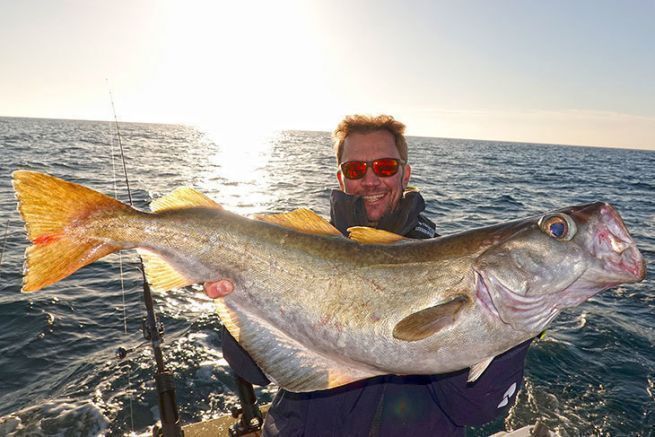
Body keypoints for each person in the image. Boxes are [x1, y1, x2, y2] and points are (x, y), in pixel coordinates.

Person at [204, 114, 532, 436]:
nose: (371, 180)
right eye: (356, 169)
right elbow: (252, 372)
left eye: (385, 167)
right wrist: (236, 301)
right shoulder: (291, 259)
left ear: (405, 174)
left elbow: (475, 409)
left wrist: (510, 320)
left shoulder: (456, 270)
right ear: (341, 178)